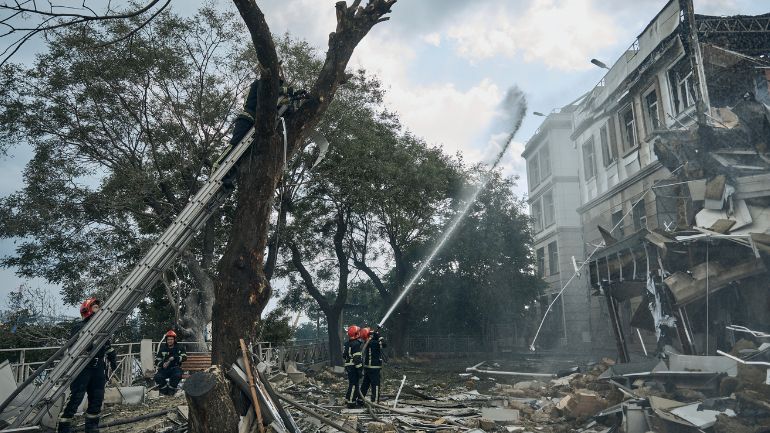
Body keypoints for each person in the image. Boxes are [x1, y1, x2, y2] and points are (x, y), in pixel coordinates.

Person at [57, 298, 117, 433]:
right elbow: (73, 348)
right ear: (87, 309)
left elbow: (107, 346)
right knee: (76, 396)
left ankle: (92, 427)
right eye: (95, 307)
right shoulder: (79, 327)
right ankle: (63, 426)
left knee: (97, 397)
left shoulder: (103, 328)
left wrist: (112, 358)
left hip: (98, 367)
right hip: (82, 366)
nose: (99, 310)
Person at [153, 330, 187, 396]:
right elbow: (157, 361)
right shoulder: (163, 349)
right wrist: (162, 364)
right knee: (157, 377)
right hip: (165, 369)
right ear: (166, 340)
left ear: (174, 340)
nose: (170, 341)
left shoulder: (179, 348)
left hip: (176, 368)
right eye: (168, 339)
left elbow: (184, 357)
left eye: (171, 339)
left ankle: (171, 390)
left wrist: (175, 358)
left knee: (177, 376)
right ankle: (164, 389)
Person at [360, 327, 386, 403]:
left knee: (365, 385)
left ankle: (360, 399)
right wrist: (379, 335)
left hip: (367, 367)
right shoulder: (374, 343)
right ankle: (375, 401)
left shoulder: (368, 342)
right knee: (376, 384)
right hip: (374, 368)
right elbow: (384, 344)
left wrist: (374, 335)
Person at [342, 325, 363, 407]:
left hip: (348, 365)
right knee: (354, 384)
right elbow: (357, 359)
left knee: (351, 383)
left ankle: (348, 399)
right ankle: (351, 403)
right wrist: (360, 369)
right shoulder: (356, 344)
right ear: (357, 333)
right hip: (353, 366)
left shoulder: (347, 343)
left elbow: (344, 355)